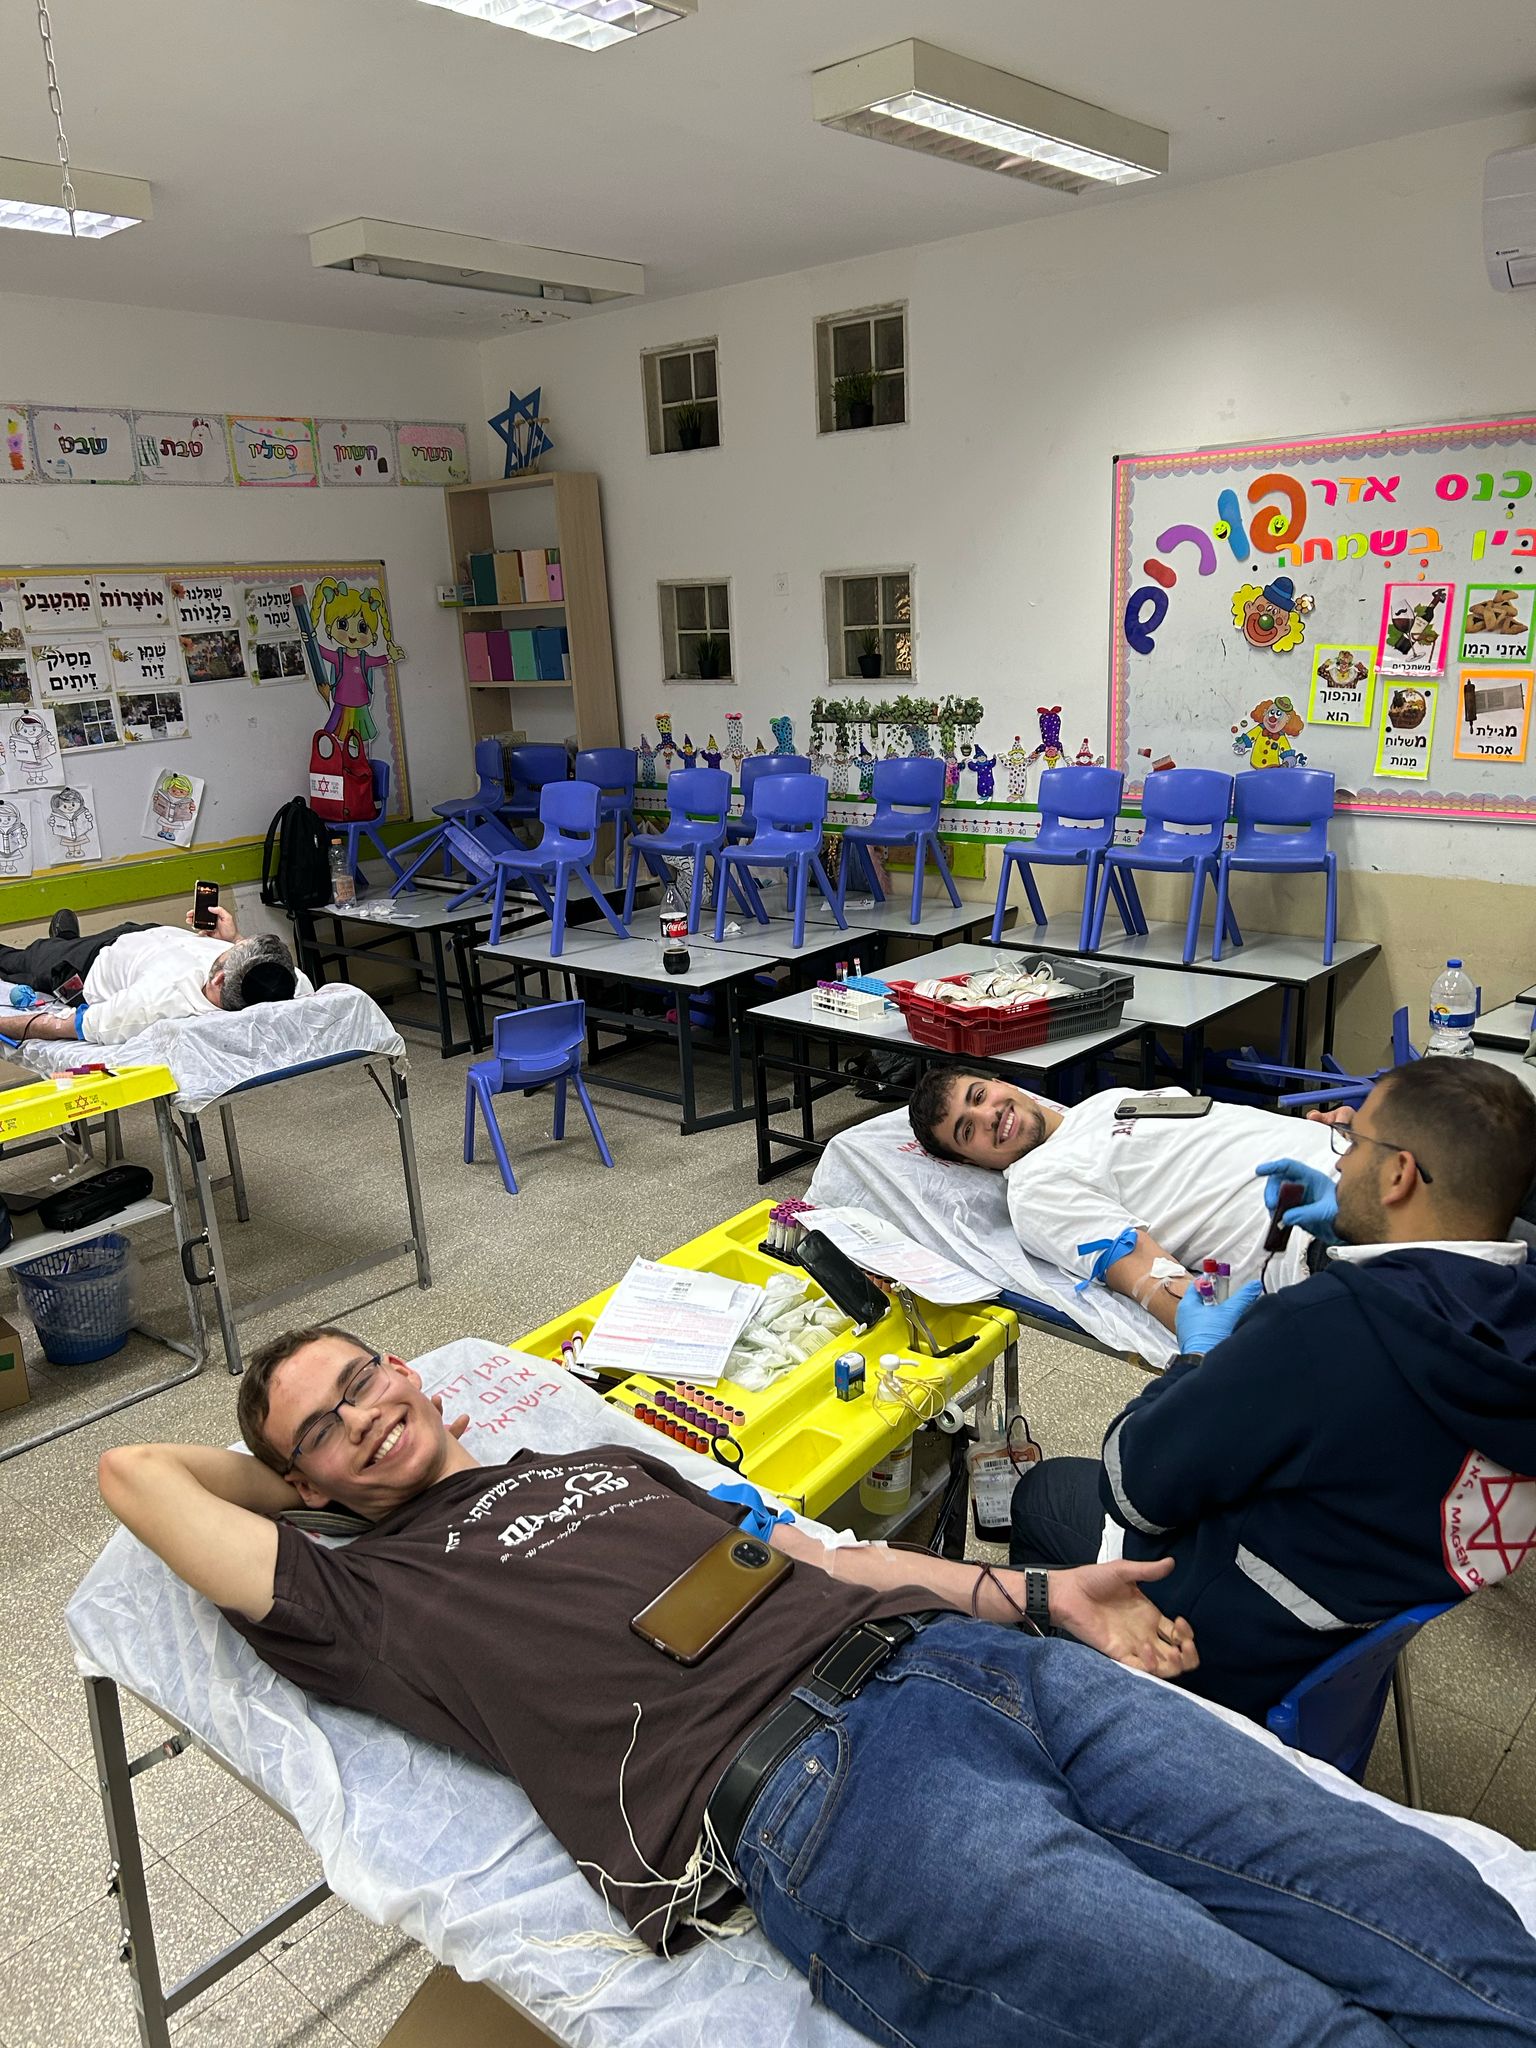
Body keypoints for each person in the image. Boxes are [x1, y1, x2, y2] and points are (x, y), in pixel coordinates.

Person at [97, 1327, 1536, 2046]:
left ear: (416, 1371)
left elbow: (827, 1559)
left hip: (986, 1668)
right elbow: (133, 1473)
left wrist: (1040, 1596)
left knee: (1409, 1902)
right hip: (817, 1786)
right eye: (324, 1428)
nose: (363, 1416)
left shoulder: (600, 1461)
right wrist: (305, 1486)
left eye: (365, 1382)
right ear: (301, 1484)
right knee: (1263, 2021)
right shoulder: (363, 1596)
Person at [1009, 1057, 1536, 1719]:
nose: (1340, 1158)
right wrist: (1331, 1246)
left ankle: (1073, 1722)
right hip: (1362, 1608)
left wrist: (1197, 1355)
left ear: (1399, 1175)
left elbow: (1133, 1486)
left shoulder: (1318, 1330)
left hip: (1229, 1641)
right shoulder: (1518, 1311)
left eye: (1351, 1141)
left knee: (1043, 1494)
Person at [905, 1068, 1336, 1331]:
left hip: (1349, 1160)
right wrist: (1217, 1340)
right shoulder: (1035, 1188)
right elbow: (1145, 1273)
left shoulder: (1107, 1103)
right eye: (967, 1130)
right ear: (972, 1162)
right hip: (1315, 1238)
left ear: (999, 1083)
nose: (989, 1115)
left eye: (979, 1096)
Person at [0, 903, 311, 1045]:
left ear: (219, 979)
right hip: (149, 933)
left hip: (91, 962)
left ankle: (62, 943)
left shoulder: (154, 1004)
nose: (227, 947)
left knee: (23, 961)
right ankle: (65, 939)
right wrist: (233, 939)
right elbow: (274, 974)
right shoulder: (289, 984)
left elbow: (58, 1026)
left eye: (229, 951)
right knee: (57, 947)